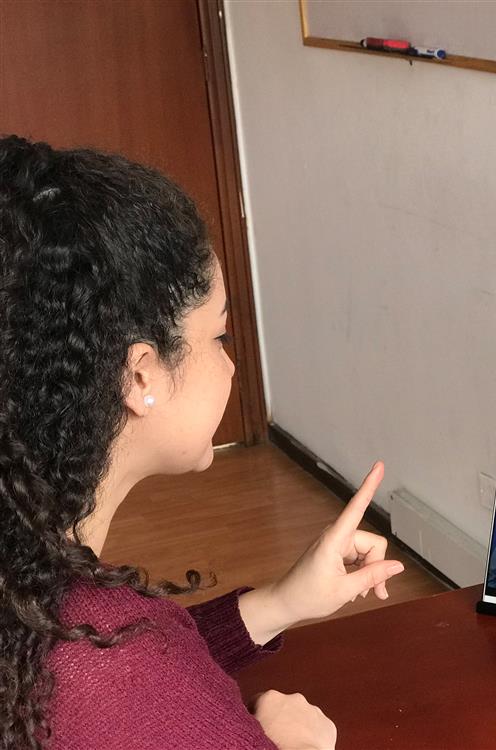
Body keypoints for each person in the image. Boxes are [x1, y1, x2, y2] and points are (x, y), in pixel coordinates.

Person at [0, 135, 406, 750]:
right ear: (139, 375)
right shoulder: (104, 662)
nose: (232, 366)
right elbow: (127, 679)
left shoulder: (35, 594)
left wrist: (279, 602)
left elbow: (136, 668)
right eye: (218, 336)